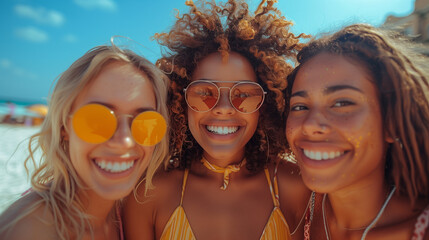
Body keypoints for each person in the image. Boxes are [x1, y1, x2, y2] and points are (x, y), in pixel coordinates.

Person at [124, 0, 314, 239]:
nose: (224, 109)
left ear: (264, 106)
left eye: (244, 94)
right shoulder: (149, 194)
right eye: (204, 92)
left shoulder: (296, 187)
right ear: (180, 103)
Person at [0, 44, 170, 240]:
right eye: (97, 119)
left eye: (145, 122)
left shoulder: (127, 213)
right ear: (64, 126)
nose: (124, 141)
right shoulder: (27, 230)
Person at [285, 23, 429, 240]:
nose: (310, 124)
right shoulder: (289, 210)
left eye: (342, 103)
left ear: (391, 122)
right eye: (299, 106)